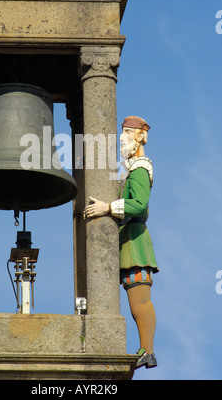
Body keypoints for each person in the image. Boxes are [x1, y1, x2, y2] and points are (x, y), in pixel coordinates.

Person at [84, 116, 158, 369]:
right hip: (127, 240)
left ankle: (147, 350)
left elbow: (138, 204)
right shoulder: (130, 170)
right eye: (123, 132)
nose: (122, 137)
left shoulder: (139, 168)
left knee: (139, 302)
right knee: (134, 301)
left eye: (127, 132)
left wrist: (107, 207)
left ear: (139, 137)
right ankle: (145, 349)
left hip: (135, 242)